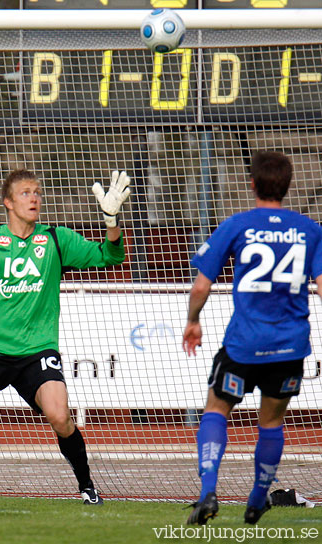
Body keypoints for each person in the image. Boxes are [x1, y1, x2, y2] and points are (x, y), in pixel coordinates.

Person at [0, 168, 131, 505]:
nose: (34, 198)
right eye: (26, 193)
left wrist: (111, 220)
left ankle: (87, 486)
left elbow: (110, 256)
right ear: (8, 203)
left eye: (38, 192)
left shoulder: (57, 239)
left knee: (61, 417)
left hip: (36, 352)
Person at [183, 151, 322, 525]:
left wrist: (193, 321)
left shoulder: (237, 225)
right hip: (290, 346)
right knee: (272, 423)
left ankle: (208, 491)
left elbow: (200, 287)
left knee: (215, 409)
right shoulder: (310, 230)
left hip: (244, 344)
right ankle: (257, 500)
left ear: (253, 184)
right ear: (288, 186)